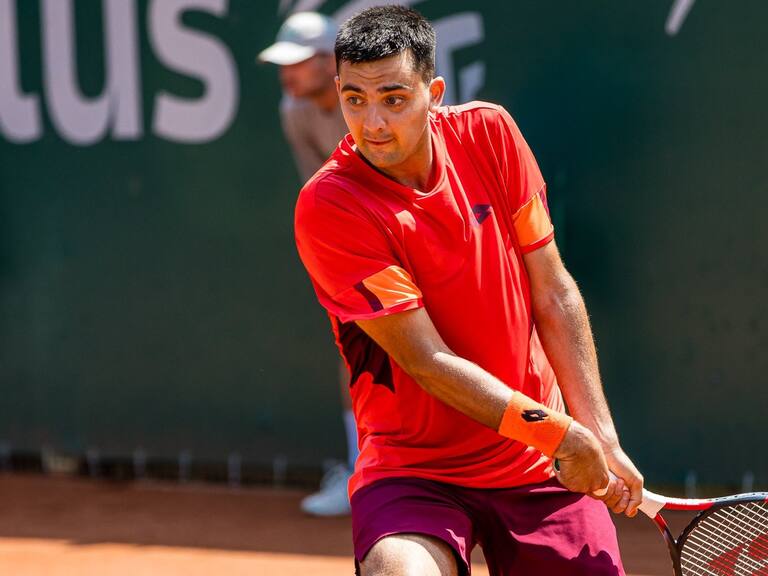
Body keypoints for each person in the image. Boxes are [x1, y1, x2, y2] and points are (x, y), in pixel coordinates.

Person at [294, 5, 644, 575]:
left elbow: (553, 290)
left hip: (536, 466)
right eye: (354, 99)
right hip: (415, 470)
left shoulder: (491, 133)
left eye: (394, 97)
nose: (373, 122)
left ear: (433, 91)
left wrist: (598, 435)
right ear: (337, 93)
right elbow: (427, 360)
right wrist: (563, 436)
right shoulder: (329, 206)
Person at [259, 12, 354, 517]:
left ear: (327, 61)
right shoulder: (294, 110)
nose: (287, 75)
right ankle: (364, 470)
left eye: (297, 64)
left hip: (420, 231)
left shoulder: (366, 100)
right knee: (354, 350)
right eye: (283, 66)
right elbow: (319, 188)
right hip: (359, 243)